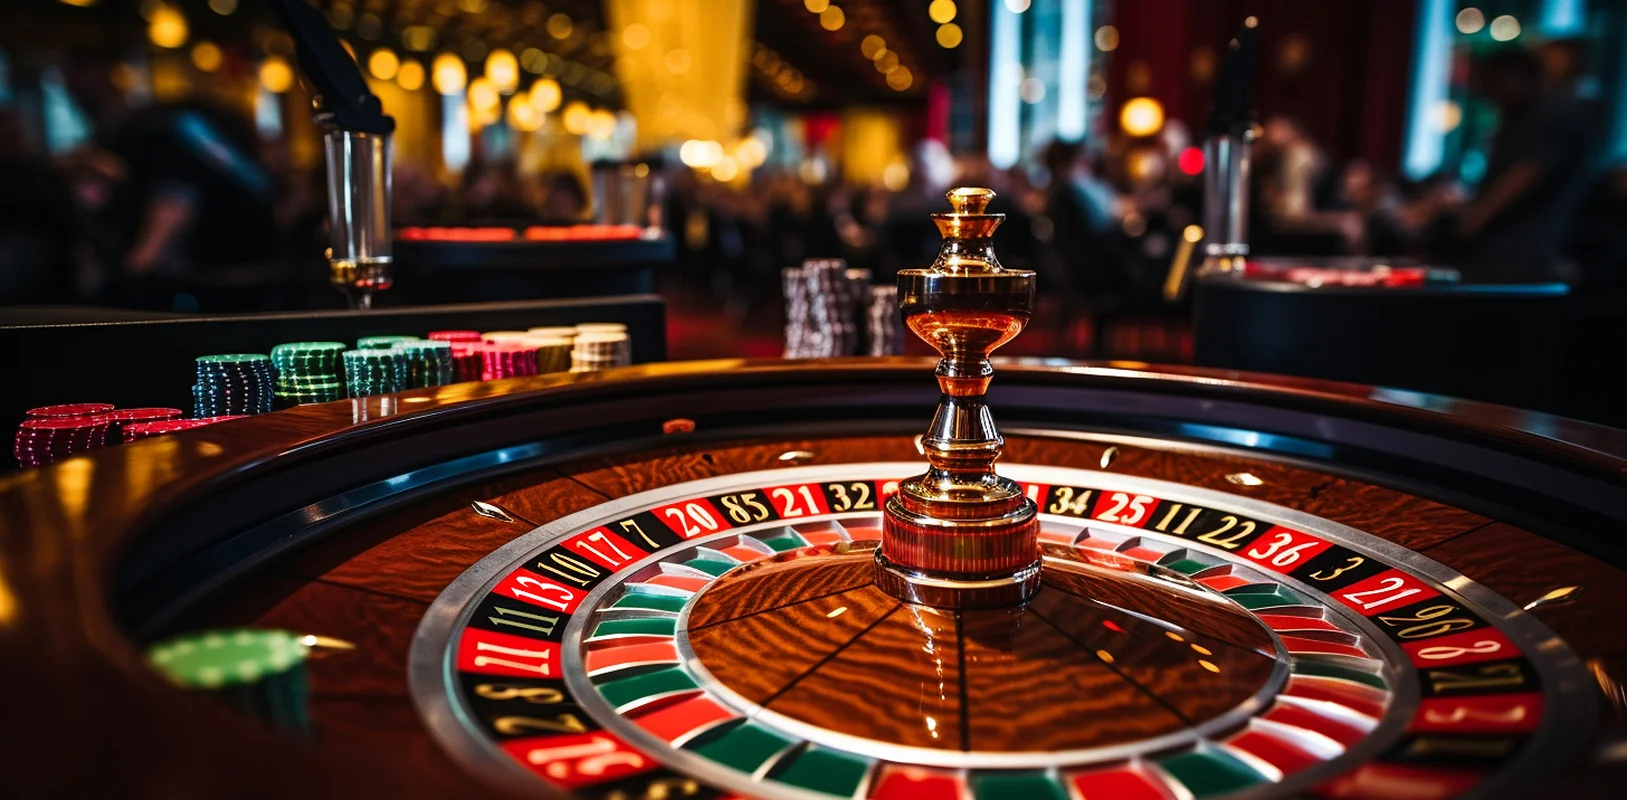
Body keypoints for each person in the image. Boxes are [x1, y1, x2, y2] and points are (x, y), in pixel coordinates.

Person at [60, 54, 279, 308]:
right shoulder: (158, 126)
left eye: (72, 81)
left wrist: (137, 265)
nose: (70, 89)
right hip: (237, 266)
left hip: (229, 273)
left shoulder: (156, 130)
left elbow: (174, 199)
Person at [1453, 48, 1593, 283]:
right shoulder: (1524, 117)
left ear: (1513, 77)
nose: (1488, 96)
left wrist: (1472, 222)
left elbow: (1526, 175)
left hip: (1523, 258)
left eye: (1491, 86)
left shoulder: (1554, 115)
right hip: (1511, 254)